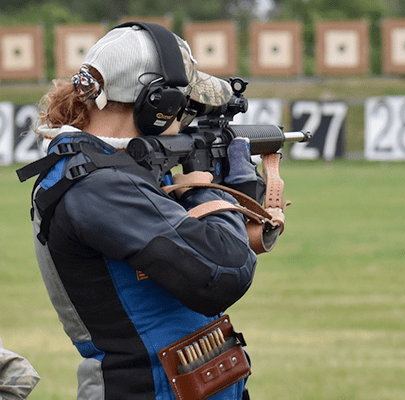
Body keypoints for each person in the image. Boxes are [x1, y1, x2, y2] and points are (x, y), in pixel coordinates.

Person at [19, 22, 259, 400]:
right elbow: (223, 273)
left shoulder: (112, 174)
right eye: (183, 107)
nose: (185, 121)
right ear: (157, 107)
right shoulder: (96, 185)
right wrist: (217, 195)